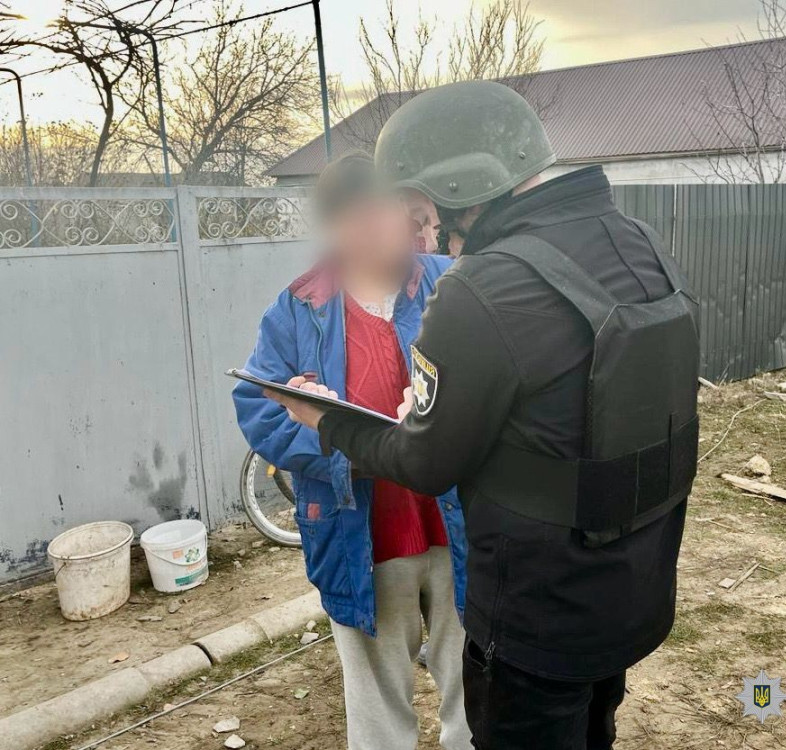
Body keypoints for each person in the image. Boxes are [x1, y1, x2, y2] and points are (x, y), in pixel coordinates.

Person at [266, 82, 700, 750]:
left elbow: (424, 463)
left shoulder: (482, 285)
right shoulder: (638, 242)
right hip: (628, 592)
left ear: (460, 185)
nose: (422, 230)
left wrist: (325, 420)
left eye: (420, 207)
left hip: (536, 618)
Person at [233, 152, 472, 750]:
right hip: (361, 533)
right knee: (376, 701)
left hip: (460, 523)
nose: (366, 233)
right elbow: (259, 404)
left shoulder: (453, 283)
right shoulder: (300, 307)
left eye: (379, 215)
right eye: (350, 220)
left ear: (406, 215)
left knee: (476, 685)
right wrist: (330, 440)